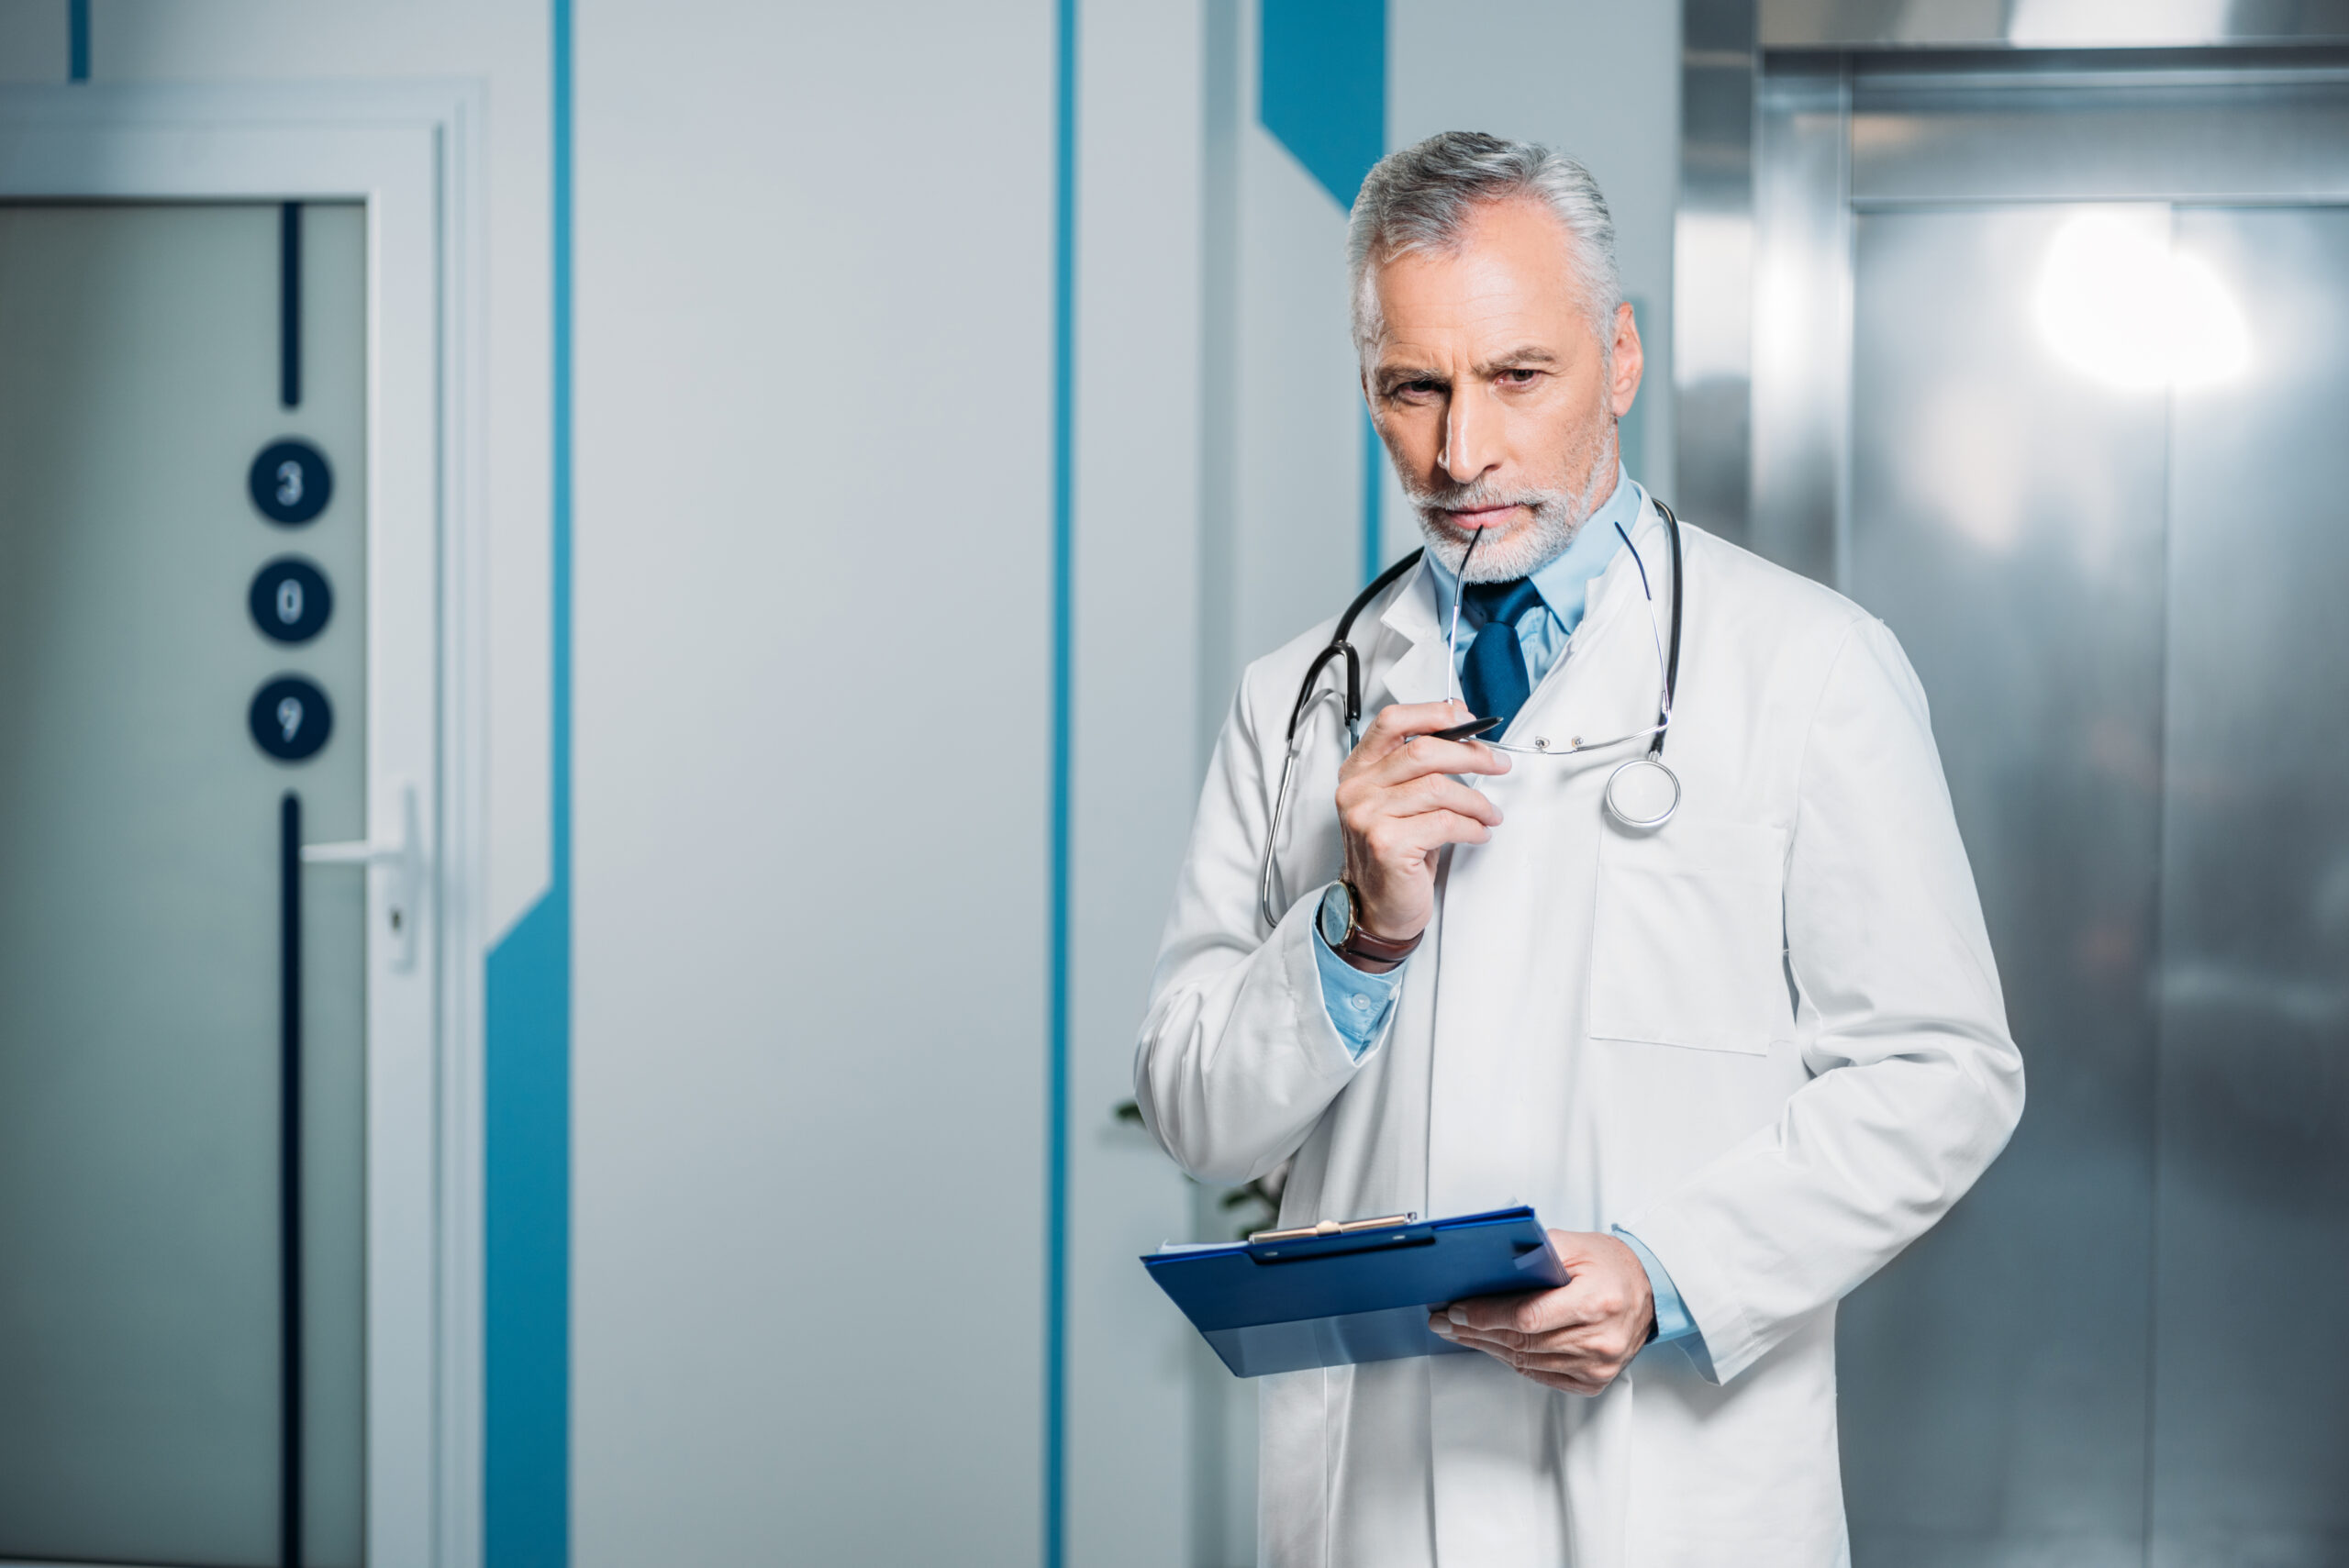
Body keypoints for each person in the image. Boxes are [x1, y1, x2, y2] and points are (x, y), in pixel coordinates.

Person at [1132, 131, 2024, 1566]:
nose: (1459, 450)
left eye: (1516, 376)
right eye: (1411, 387)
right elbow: (1196, 1109)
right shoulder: (1295, 701)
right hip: (1382, 1490)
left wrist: (1672, 1270)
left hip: (1666, 1489)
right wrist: (1358, 935)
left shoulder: (1808, 666)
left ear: (1621, 358)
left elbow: (1943, 1070)